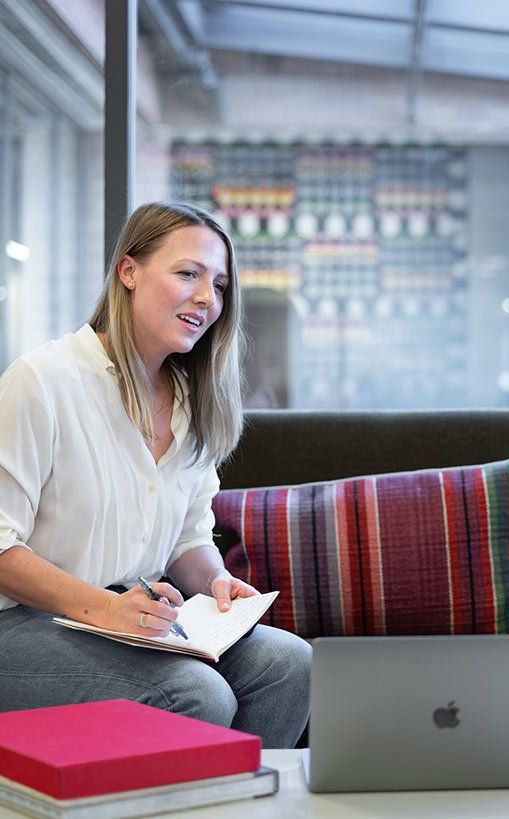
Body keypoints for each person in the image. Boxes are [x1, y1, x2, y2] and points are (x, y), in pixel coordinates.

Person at [0, 202, 311, 748]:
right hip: (23, 624)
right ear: (129, 271)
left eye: (219, 285)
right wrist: (108, 609)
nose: (207, 298)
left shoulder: (192, 401)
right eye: (188, 274)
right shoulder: (42, 381)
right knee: (194, 694)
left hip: (131, 620)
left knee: (289, 664)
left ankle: (228, 795)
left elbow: (190, 540)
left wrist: (214, 581)